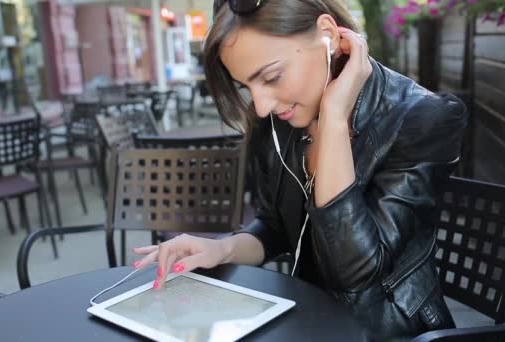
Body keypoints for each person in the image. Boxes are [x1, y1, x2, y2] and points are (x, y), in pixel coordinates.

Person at [132, 0, 467, 339]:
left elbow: (357, 275)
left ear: (328, 36)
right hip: (307, 317)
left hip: (388, 330)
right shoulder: (282, 120)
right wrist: (221, 249)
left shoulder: (423, 117)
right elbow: (275, 227)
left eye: (272, 77)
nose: (261, 107)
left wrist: (334, 120)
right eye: (247, 87)